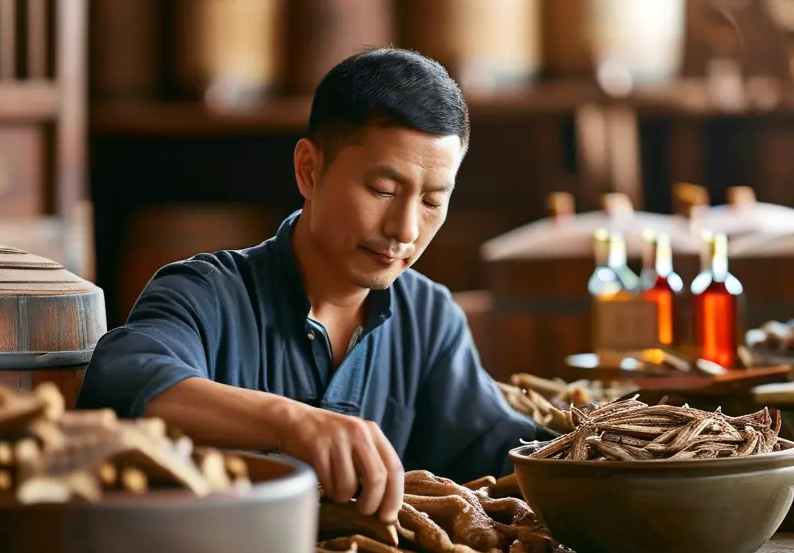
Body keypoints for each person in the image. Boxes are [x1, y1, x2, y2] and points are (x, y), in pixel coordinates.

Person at [76, 47, 554, 523]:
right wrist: (292, 423)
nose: (405, 230)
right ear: (309, 169)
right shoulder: (206, 293)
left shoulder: (428, 317)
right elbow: (121, 382)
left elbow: (503, 449)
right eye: (383, 191)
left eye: (432, 201)